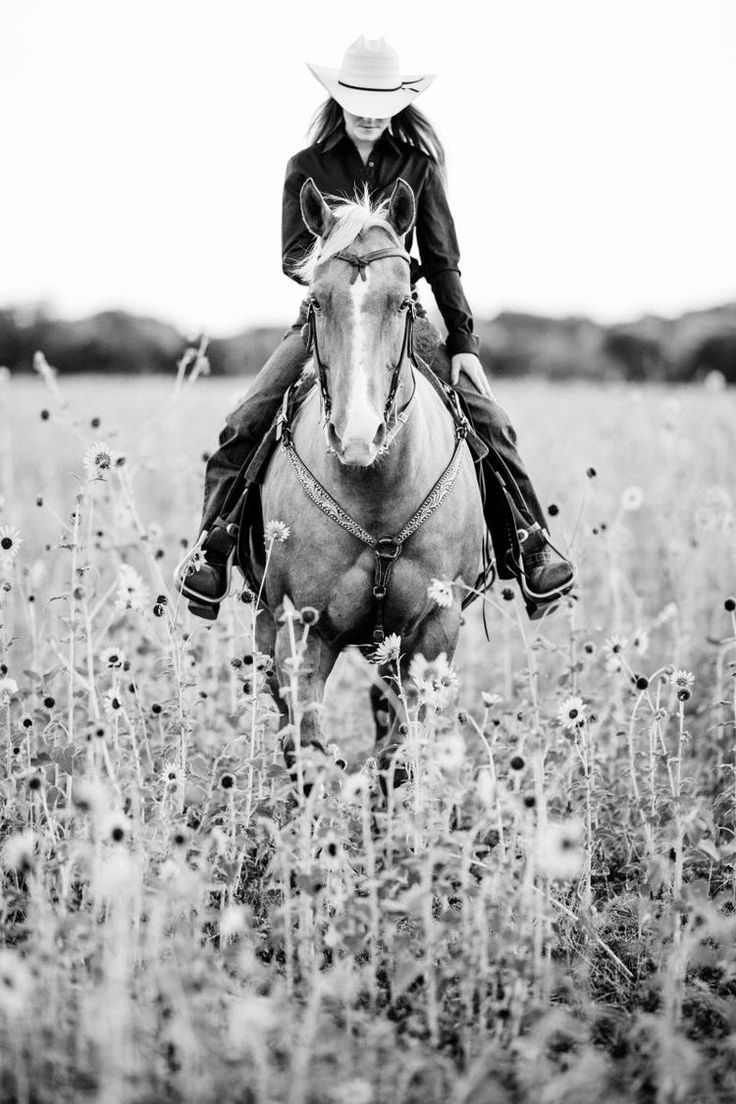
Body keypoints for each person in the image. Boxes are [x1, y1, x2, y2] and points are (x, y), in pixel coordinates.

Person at [176, 36, 574, 619]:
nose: (368, 111)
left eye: (379, 101)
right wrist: (342, 265)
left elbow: (441, 262)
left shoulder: (420, 166)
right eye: (356, 98)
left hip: (403, 321)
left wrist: (463, 344)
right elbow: (294, 255)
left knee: (491, 421)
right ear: (338, 98)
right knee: (244, 421)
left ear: (397, 104)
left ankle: (529, 546)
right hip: (328, 317)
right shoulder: (305, 168)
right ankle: (214, 549)